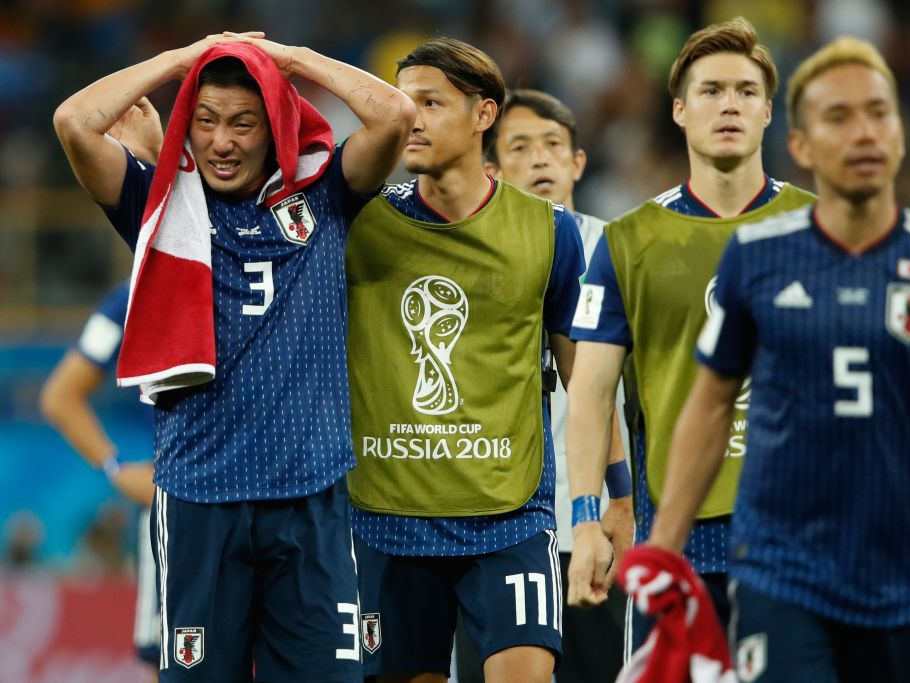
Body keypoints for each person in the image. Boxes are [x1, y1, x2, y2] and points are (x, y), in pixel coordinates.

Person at [628, 36, 910, 681]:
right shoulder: (756, 260)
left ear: (900, 135)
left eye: (878, 112)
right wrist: (666, 548)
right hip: (785, 575)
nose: (863, 131)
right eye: (839, 117)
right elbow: (709, 405)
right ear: (803, 146)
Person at [53, 31, 415, 681]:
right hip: (199, 500)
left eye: (243, 123)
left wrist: (291, 61)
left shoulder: (325, 195)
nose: (222, 142)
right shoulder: (154, 206)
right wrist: (178, 63)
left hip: (310, 501)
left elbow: (393, 115)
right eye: (206, 121)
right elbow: (74, 123)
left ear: (274, 123)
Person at [563, 15, 815, 653]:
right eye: (710, 91)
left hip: (806, 540)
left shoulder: (824, 229)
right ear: (678, 111)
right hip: (675, 542)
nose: (728, 104)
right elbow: (591, 392)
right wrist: (587, 518)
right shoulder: (627, 242)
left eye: (745, 91)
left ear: (767, 113)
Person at [343, 39, 585, 683]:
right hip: (391, 517)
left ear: (484, 115)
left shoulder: (550, 231)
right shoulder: (358, 223)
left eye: (430, 103)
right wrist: (293, 59)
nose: (411, 120)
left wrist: (603, 504)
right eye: (401, 104)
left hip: (510, 513)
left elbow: (583, 383)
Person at [446, 88, 628, 683]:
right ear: (493, 169)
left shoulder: (626, 253)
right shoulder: (465, 260)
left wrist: (624, 499)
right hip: (494, 525)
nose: (541, 158)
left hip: (597, 523)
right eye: (521, 147)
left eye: (554, 145)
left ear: (578, 163)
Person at [41, 102, 164, 675]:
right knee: (171, 661)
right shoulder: (127, 300)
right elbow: (60, 395)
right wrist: (117, 469)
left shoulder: (251, 259)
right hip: (177, 498)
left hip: (273, 491)